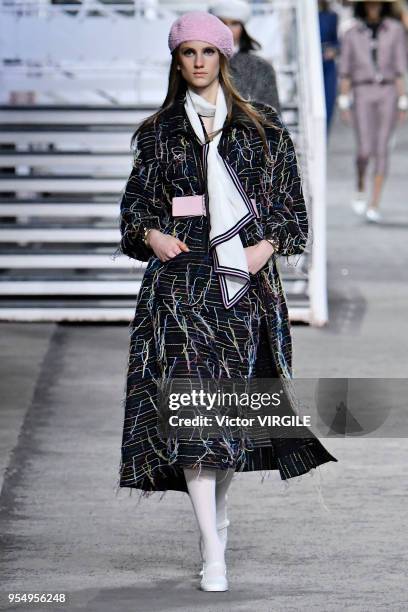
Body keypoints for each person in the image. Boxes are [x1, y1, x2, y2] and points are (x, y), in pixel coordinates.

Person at [117, 11, 338, 592]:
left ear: (223, 57)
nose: (197, 62)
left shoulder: (261, 128)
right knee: (193, 420)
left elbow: (293, 212)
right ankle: (214, 549)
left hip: (243, 291)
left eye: (207, 52)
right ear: (176, 59)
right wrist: (153, 234)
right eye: (187, 52)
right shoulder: (160, 133)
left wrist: (264, 247)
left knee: (227, 423)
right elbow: (134, 210)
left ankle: (215, 519)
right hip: (180, 291)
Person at [338, 0, 408, 222]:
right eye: (369, 3)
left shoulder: (395, 30)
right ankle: (360, 184)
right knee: (364, 149)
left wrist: (403, 98)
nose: (373, 6)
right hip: (362, 90)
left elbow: (399, 66)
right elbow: (346, 69)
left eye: (377, 3)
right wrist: (343, 98)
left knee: (382, 148)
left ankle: (374, 202)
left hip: (388, 91)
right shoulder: (351, 32)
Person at [210, 0, 281, 112]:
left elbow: (272, 115)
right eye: (222, 23)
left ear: (242, 27)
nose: (227, 29)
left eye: (234, 23)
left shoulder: (261, 67)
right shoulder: (199, 62)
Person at [319, 0, 340, 131]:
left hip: (327, 63)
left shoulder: (331, 15)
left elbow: (337, 41)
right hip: (312, 62)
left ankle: (324, 139)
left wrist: (334, 50)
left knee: (328, 103)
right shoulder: (305, 15)